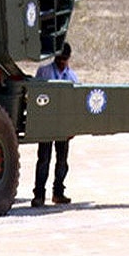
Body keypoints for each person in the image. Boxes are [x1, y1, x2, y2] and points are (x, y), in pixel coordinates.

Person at [32, 43, 79, 207]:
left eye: (64, 60)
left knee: (62, 161)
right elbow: (36, 98)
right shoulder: (44, 71)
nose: (61, 63)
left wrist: (73, 127)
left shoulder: (72, 77)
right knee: (43, 160)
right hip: (46, 125)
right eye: (59, 59)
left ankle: (58, 192)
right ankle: (39, 195)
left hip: (63, 126)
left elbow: (76, 104)